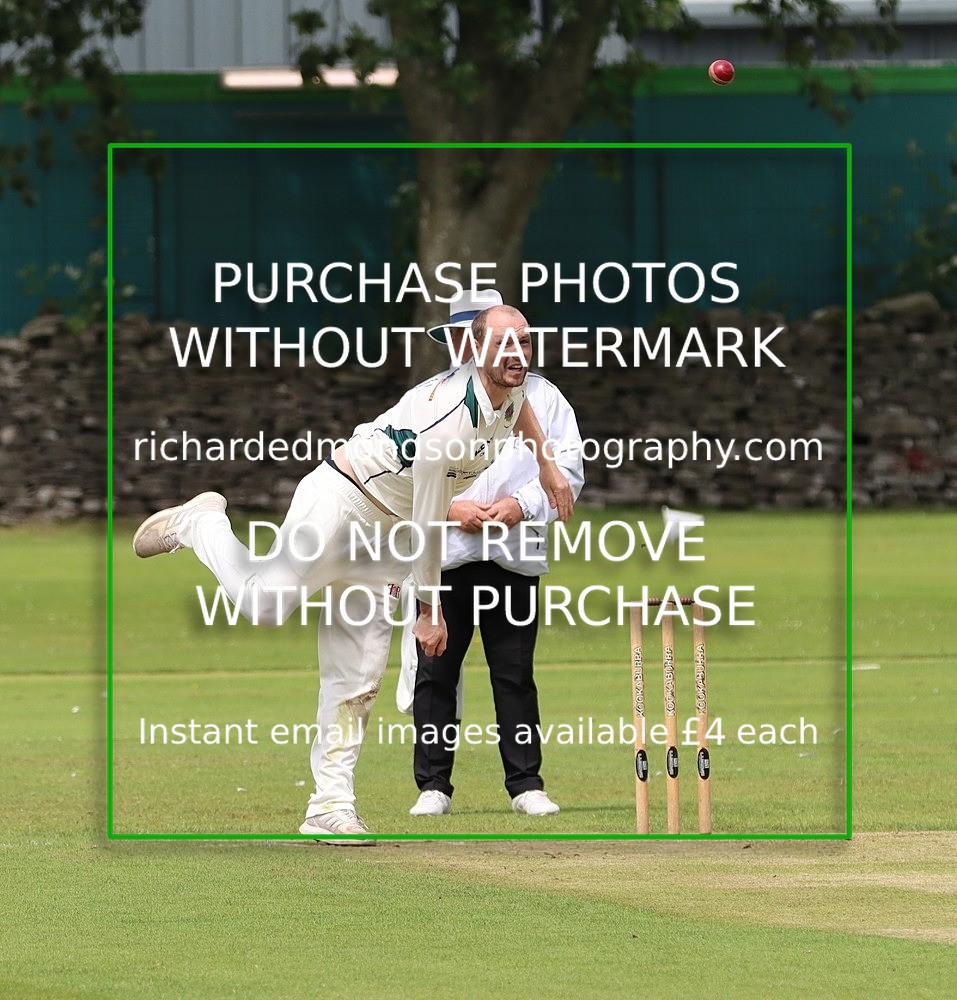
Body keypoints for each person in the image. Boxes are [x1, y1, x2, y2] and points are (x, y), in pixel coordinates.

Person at [132, 295, 573, 843]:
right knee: (264, 604)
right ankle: (201, 524)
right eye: (503, 342)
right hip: (344, 501)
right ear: (473, 350)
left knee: (359, 674)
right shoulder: (451, 421)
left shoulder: (510, 390)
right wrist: (431, 611)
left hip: (386, 532)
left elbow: (521, 409)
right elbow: (433, 520)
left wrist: (550, 470)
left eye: (524, 341)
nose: (516, 352)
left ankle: (329, 805)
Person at [401, 299, 584, 818]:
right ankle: (433, 785)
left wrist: (518, 506)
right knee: (434, 672)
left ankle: (526, 784)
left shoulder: (544, 398)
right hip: (445, 555)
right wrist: (450, 507)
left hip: (513, 557)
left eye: (518, 340)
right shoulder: (427, 397)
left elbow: (567, 470)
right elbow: (399, 472)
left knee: (514, 673)